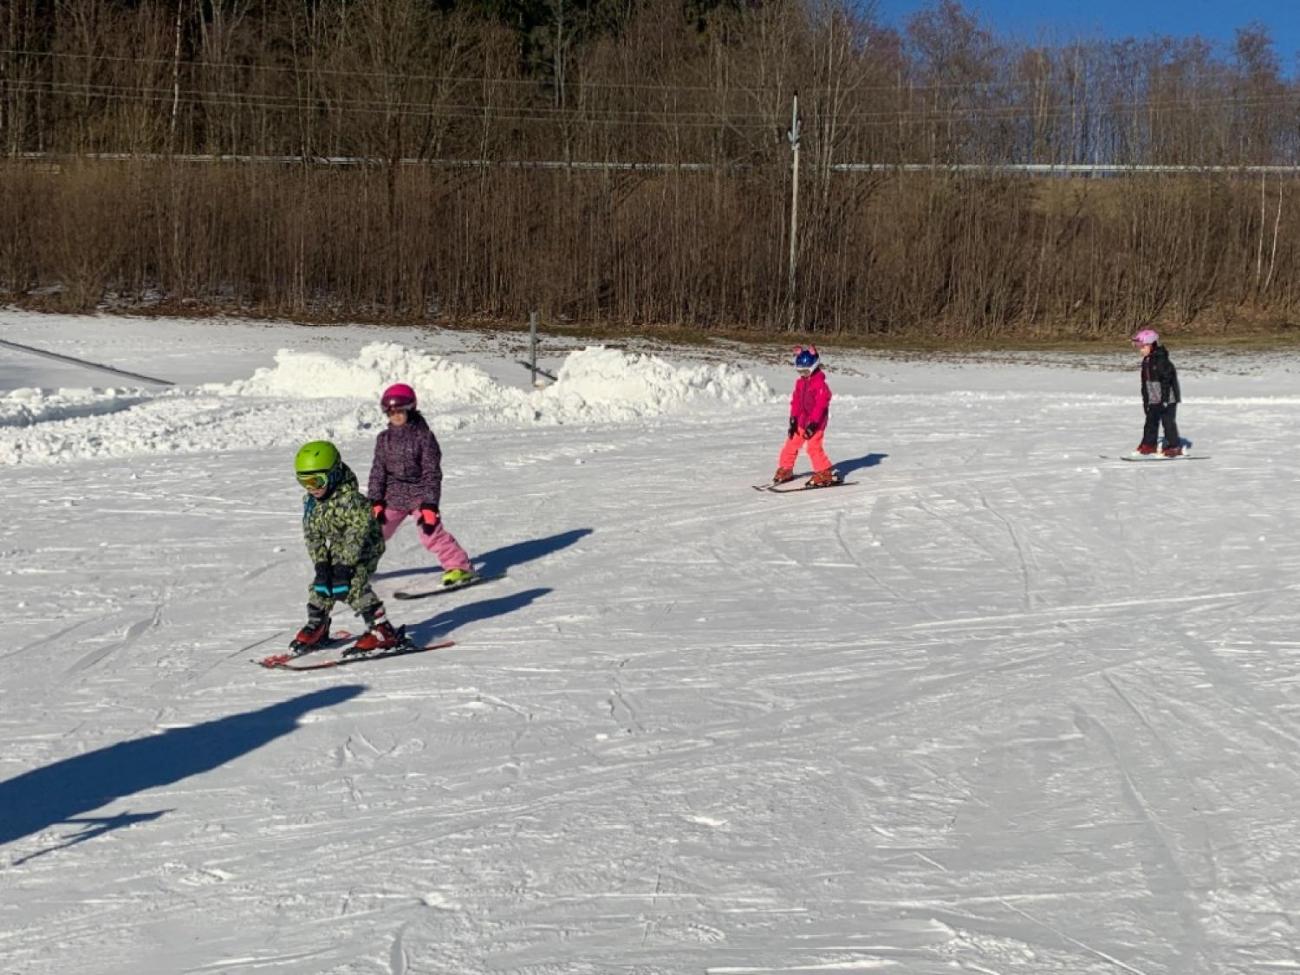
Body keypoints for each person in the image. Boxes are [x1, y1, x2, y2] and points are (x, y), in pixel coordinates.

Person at [291, 440, 399, 653]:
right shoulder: (312, 502)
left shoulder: (352, 501)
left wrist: (344, 568)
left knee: (350, 583)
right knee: (322, 585)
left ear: (332, 474)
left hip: (365, 546)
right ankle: (317, 625)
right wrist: (322, 565)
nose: (312, 488)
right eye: (304, 482)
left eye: (316, 480)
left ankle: (382, 630)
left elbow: (356, 536)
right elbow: (313, 535)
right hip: (340, 546)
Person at [368, 383, 477, 586]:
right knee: (372, 532)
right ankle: (358, 569)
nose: (395, 416)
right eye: (391, 412)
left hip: (420, 495)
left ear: (410, 409)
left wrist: (429, 504)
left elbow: (431, 473)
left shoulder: (424, 437)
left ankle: (460, 567)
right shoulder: (383, 439)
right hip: (394, 496)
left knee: (430, 532)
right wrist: (375, 499)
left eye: (400, 411)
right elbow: (378, 471)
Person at [772, 345, 837, 487]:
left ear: (814, 367)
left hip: (817, 423)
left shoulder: (820, 385)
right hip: (801, 421)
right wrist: (793, 419)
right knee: (791, 443)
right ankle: (786, 468)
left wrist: (813, 424)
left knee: (813, 447)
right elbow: (795, 402)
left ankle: (824, 471)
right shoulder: (800, 383)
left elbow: (821, 406)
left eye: (806, 371)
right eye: (800, 371)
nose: (803, 374)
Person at [1132, 329, 1182, 457]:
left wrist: (1165, 399)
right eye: (1139, 347)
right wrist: (1146, 401)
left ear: (1151, 345)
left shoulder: (1161, 360)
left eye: (1142, 347)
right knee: (1150, 421)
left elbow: (1167, 381)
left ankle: (1174, 446)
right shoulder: (1146, 361)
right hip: (1154, 397)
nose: (1140, 350)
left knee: (1168, 422)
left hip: (1168, 398)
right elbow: (1145, 384)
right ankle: (1149, 444)